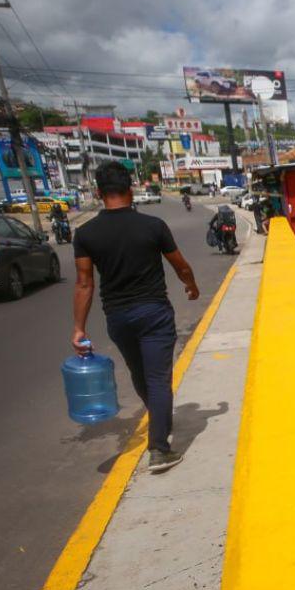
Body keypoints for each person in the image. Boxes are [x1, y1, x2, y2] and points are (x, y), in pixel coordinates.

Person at [72, 161, 199, 473]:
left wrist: (78, 328)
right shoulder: (153, 226)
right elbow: (180, 264)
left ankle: (158, 422)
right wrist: (191, 286)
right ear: (130, 189)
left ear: (99, 193)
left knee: (140, 376)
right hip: (153, 312)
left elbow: (85, 283)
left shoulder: (86, 233)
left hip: (117, 316)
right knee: (158, 379)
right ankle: (159, 448)